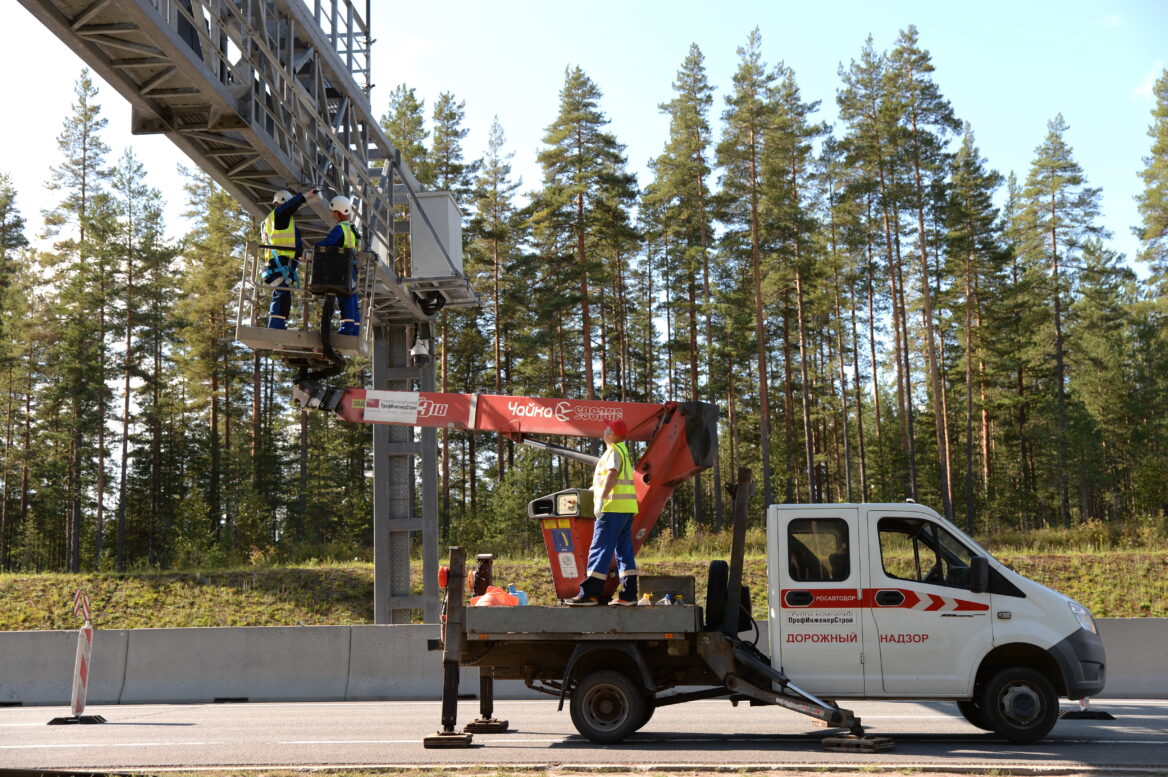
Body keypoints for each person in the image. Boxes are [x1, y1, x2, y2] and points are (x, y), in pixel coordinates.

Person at [566, 419, 639, 606]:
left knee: (600, 550)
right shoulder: (623, 451)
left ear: (612, 434)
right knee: (624, 552)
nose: (604, 430)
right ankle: (629, 595)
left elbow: (613, 474)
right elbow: (612, 477)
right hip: (626, 510)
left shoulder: (613, 451)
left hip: (612, 509)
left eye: (607, 428)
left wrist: (601, 498)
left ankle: (589, 594)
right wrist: (596, 489)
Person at [262, 188, 317, 329]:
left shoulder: (283, 221)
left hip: (283, 263)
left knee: (285, 295)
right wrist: (305, 196)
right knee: (281, 294)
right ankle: (275, 327)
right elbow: (290, 206)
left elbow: (291, 241)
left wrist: (300, 255)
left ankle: (280, 325)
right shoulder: (279, 216)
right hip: (279, 262)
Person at [316, 195, 362, 336]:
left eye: (332, 211)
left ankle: (346, 330)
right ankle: (354, 331)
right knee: (352, 299)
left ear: (338, 212)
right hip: (351, 269)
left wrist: (314, 248)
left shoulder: (340, 228)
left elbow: (328, 243)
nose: (331, 213)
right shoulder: (353, 229)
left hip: (341, 269)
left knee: (345, 299)